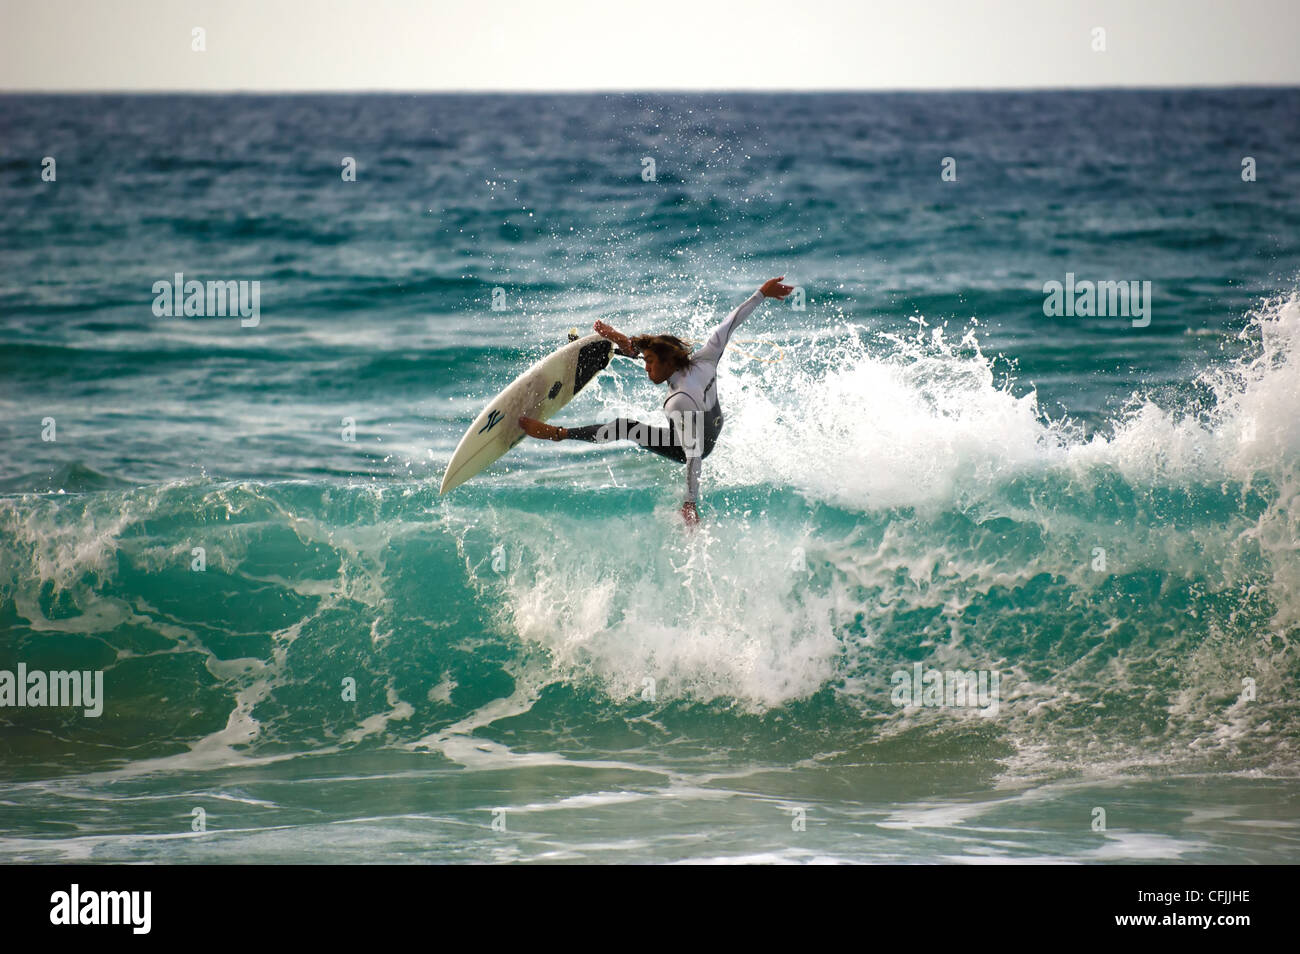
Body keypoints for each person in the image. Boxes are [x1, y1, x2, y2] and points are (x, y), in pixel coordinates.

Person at [519, 276, 794, 525]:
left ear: (669, 362)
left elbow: (694, 454)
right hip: (713, 420)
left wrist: (690, 503)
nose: (647, 368)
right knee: (644, 360)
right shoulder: (707, 356)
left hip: (697, 441)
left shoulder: (678, 401)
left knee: (625, 427)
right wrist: (761, 293)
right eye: (646, 361)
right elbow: (731, 321)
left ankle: (557, 434)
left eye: (651, 363)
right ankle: (620, 345)